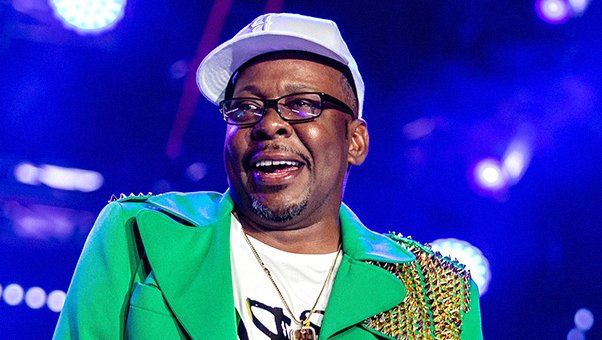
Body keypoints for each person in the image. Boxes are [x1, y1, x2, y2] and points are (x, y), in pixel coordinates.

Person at [53, 13, 482, 340]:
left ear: (355, 141)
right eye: (245, 108)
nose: (268, 124)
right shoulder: (139, 231)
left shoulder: (432, 293)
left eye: (300, 104)